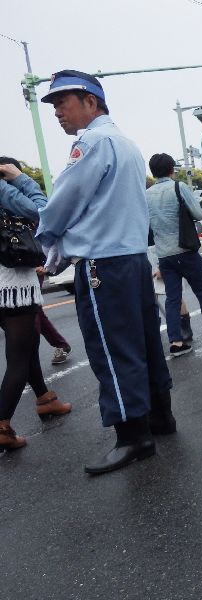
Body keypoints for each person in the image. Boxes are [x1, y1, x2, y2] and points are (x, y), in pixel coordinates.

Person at [36, 70, 174, 474]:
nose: (57, 112)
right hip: (132, 259)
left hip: (101, 264)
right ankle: (160, 416)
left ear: (90, 101)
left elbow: (64, 202)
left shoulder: (91, 143)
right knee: (145, 342)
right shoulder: (126, 143)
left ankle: (132, 437)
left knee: (112, 350)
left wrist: (47, 239)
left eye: (62, 102)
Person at [0, 157, 71, 452]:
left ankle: (45, 399)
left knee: (26, 348)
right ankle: (2, 426)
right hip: (13, 285)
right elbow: (44, 211)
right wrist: (21, 179)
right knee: (18, 358)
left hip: (5, 289)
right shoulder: (4, 189)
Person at [146, 153, 202, 357]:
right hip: (186, 250)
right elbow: (198, 214)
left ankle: (176, 342)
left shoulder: (146, 195)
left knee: (172, 298)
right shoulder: (178, 187)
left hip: (164, 255)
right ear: (171, 169)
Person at [34, 267, 72, 364]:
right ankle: (61, 345)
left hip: (28, 272)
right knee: (35, 313)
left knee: (31, 311)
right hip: (7, 274)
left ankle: (26, 356)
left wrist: (45, 266)